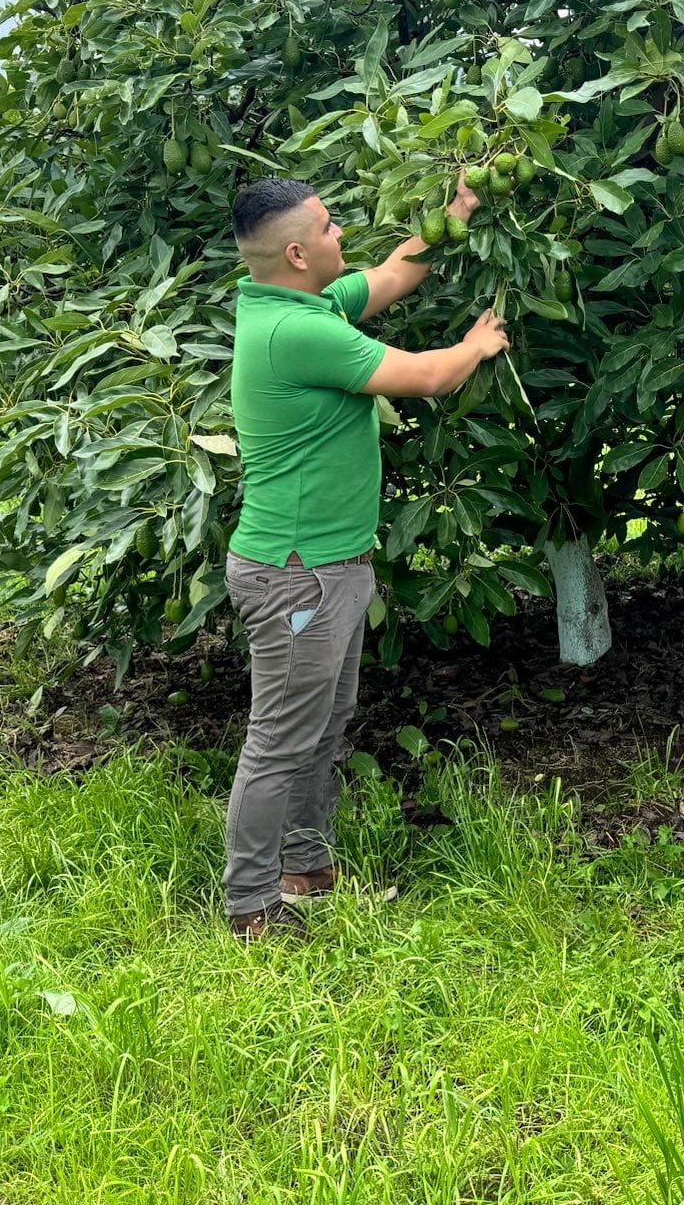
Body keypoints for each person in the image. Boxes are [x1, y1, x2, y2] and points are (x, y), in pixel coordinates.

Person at [223, 175, 508, 940]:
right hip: (297, 573)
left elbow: (388, 276)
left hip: (330, 564)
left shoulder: (299, 303)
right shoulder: (298, 333)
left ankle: (305, 864)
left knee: (325, 720)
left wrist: (458, 214)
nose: (340, 232)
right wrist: (477, 343)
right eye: (327, 226)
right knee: (282, 738)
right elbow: (426, 376)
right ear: (295, 251)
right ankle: (250, 905)